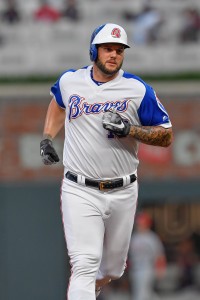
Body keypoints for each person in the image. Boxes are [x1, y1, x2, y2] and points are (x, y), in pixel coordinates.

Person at [40, 23, 173, 300]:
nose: (113, 54)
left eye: (119, 50)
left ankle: (92, 288)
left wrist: (130, 130)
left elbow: (166, 136)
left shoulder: (137, 89)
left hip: (123, 189)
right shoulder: (70, 81)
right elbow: (58, 102)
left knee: (113, 269)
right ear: (93, 50)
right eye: (107, 49)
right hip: (80, 188)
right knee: (84, 264)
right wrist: (47, 138)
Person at [128, 211, 167, 300]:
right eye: (138, 223)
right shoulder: (134, 237)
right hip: (135, 269)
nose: (139, 225)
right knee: (145, 293)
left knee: (141, 294)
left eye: (141, 223)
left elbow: (159, 255)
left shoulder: (152, 238)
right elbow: (128, 256)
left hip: (147, 269)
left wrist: (160, 269)